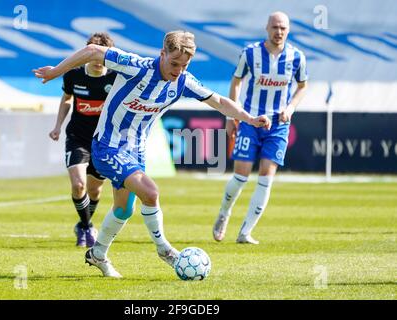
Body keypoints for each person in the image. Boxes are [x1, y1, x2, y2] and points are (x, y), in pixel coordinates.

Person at [33, 30, 271, 278]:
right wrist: (56, 72)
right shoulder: (137, 67)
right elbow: (94, 51)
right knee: (151, 192)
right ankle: (164, 249)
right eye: (174, 63)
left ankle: (98, 253)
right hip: (107, 147)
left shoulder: (183, 81)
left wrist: (250, 119)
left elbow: (219, 102)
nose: (178, 69)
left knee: (123, 210)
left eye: (184, 65)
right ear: (162, 54)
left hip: (135, 151)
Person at [213, 12, 308, 245]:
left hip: (278, 124)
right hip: (251, 121)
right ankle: (224, 213)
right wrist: (231, 116)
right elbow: (236, 81)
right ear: (267, 28)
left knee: (267, 176)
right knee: (240, 176)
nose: (279, 32)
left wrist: (290, 108)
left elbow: (302, 86)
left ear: (288, 30)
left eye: (283, 28)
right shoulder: (250, 53)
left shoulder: (297, 57)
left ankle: (245, 232)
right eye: (275, 27)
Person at [48, 32, 117, 248]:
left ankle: (83, 224)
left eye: (101, 57)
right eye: (92, 56)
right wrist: (58, 126)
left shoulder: (115, 78)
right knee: (79, 185)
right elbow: (67, 99)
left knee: (95, 190)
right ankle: (87, 227)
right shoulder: (73, 75)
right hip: (77, 136)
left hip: (103, 141)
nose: (97, 62)